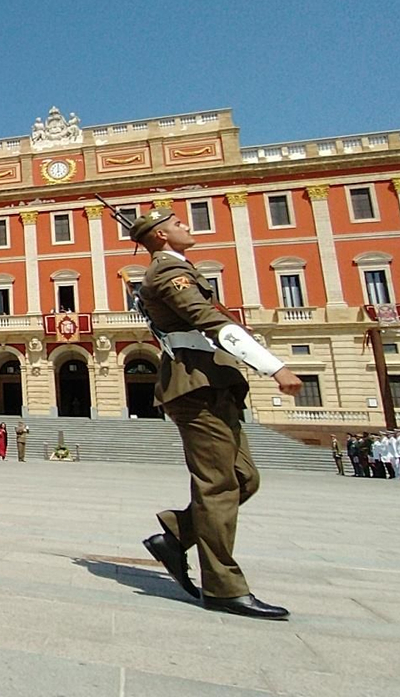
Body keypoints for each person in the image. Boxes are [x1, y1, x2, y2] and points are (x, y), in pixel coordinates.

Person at [127, 207, 301, 621]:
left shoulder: (177, 269)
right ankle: (224, 587)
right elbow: (211, 322)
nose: (185, 225)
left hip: (213, 381)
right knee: (217, 485)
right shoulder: (170, 275)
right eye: (176, 223)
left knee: (244, 478)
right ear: (162, 237)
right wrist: (273, 366)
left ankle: (175, 535)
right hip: (195, 385)